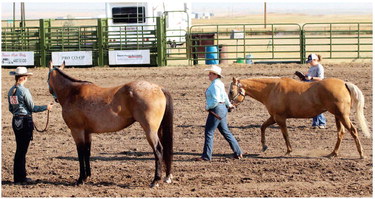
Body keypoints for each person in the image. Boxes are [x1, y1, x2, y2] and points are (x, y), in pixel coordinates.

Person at [8, 67, 53, 184]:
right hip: (24, 122)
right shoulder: (24, 91)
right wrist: (46, 107)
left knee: (19, 150)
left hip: (16, 121)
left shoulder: (11, 91)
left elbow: (11, 109)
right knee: (22, 151)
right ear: (23, 78)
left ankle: (18, 177)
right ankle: (21, 178)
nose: (27, 78)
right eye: (26, 77)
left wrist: (18, 114)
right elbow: (32, 108)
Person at [196, 65, 243, 161]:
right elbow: (225, 96)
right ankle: (238, 152)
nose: (208, 75)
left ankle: (206, 156)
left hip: (216, 110)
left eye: (210, 73)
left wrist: (207, 107)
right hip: (222, 109)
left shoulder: (214, 85)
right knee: (226, 132)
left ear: (215, 75)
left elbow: (216, 100)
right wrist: (229, 105)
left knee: (209, 132)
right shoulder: (220, 84)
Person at [304, 53, 326, 129]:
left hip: (316, 88)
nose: (310, 63)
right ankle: (316, 122)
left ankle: (321, 122)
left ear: (315, 60)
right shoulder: (312, 67)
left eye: (311, 61)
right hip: (310, 87)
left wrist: (311, 78)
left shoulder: (319, 67)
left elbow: (321, 78)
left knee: (316, 105)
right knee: (313, 106)